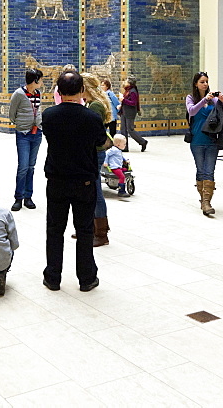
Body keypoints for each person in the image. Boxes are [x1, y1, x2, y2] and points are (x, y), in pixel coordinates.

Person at [41, 71, 111, 292]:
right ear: (82, 91)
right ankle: (86, 278)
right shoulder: (91, 118)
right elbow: (102, 142)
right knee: (84, 231)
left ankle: (53, 277)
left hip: (57, 179)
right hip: (84, 181)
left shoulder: (49, 115)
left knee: (54, 229)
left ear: (59, 92)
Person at [186, 71, 223, 216]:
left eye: (206, 81)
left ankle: (207, 202)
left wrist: (222, 101)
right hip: (196, 140)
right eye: (202, 82)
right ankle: (203, 199)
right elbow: (192, 111)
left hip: (211, 140)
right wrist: (203, 100)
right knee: (200, 170)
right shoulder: (190, 98)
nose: (205, 84)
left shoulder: (212, 100)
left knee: (209, 171)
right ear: (196, 84)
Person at [81, 73, 114, 246]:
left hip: (95, 152)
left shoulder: (95, 106)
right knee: (91, 191)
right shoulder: (92, 103)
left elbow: (90, 132)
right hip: (94, 151)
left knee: (96, 192)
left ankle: (101, 233)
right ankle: (90, 228)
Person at [8, 68, 43, 212]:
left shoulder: (38, 93)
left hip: (37, 133)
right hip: (23, 134)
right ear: (34, 80)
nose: (42, 82)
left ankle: (28, 196)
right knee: (23, 166)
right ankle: (18, 197)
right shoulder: (19, 94)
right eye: (40, 79)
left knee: (31, 166)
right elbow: (12, 114)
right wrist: (22, 124)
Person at [118, 77, 147, 152]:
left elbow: (133, 103)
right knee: (123, 130)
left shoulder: (133, 91)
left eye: (126, 81)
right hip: (124, 111)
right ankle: (124, 147)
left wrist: (123, 100)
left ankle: (142, 141)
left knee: (130, 130)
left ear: (130, 83)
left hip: (130, 113)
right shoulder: (127, 90)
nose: (125, 82)